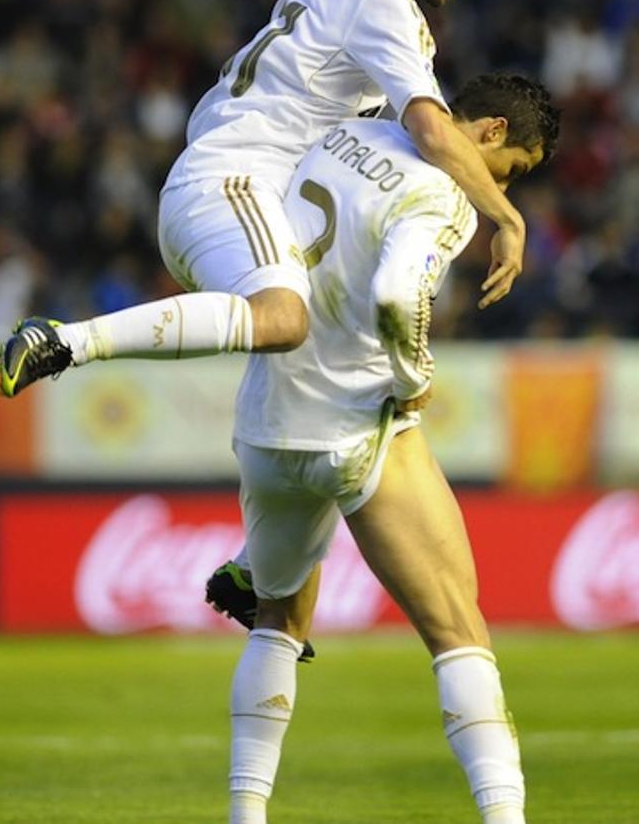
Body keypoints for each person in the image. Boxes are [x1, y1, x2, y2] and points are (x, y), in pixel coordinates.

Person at [221, 72, 557, 824]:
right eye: (516, 169)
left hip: (269, 418)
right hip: (356, 423)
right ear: (493, 132)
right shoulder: (443, 195)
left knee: (276, 623)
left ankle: (246, 816)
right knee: (459, 631)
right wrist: (415, 372)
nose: (504, 185)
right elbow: (397, 294)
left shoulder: (347, 132)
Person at [0, 0, 525, 398]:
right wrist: (507, 217)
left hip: (232, 187)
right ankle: (65, 341)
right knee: (283, 318)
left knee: (299, 344)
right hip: (233, 182)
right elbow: (430, 131)